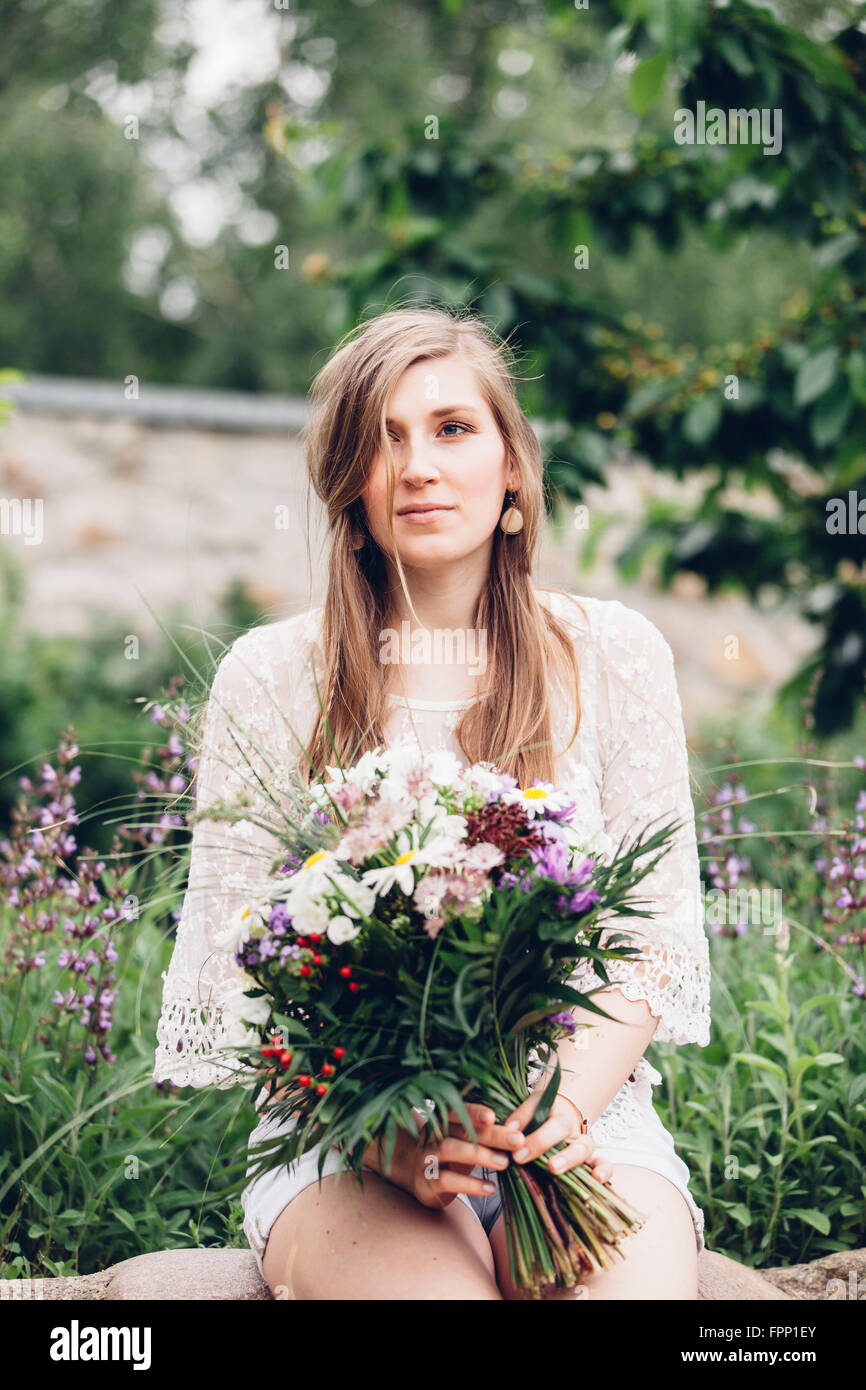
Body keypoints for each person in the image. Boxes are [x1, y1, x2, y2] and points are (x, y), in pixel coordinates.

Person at [154, 306, 711, 1300]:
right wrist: (389, 1134)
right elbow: (237, 975)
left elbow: (650, 939)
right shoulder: (271, 675)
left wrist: (551, 1112)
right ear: (349, 488)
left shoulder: (612, 655)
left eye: (451, 428)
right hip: (346, 1143)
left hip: (584, 1120)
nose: (416, 465)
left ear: (509, 465)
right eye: (383, 439)